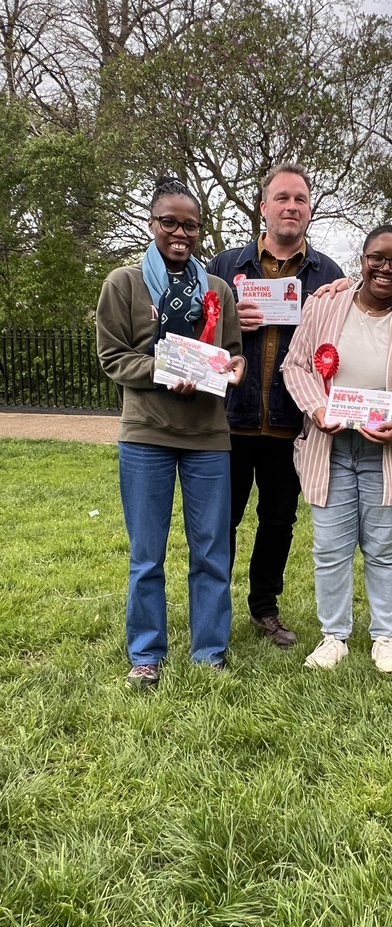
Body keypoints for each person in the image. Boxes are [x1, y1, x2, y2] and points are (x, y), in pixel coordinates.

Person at [96, 176, 246, 688]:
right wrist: (163, 371)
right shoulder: (124, 283)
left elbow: (231, 353)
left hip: (208, 437)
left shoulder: (218, 290)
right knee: (147, 554)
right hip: (146, 436)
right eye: (170, 223)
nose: (180, 233)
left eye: (191, 225)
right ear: (153, 224)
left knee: (210, 552)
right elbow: (113, 358)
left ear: (200, 231)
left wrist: (235, 368)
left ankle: (210, 652)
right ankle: (146, 654)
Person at [282, 224, 392, 673]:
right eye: (378, 256)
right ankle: (333, 636)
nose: (386, 267)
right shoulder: (325, 305)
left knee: (385, 550)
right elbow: (296, 367)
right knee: (331, 550)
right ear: (363, 258)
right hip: (330, 448)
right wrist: (318, 410)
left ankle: (385, 638)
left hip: (389, 454)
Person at [207, 164, 344, 649]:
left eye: (301, 199)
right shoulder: (225, 266)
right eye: (282, 197)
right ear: (263, 206)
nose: (291, 206)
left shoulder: (330, 276)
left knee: (279, 523)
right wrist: (229, 324)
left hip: (291, 425)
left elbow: (341, 346)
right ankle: (212, 610)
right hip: (228, 424)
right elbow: (196, 338)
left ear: (310, 210)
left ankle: (265, 608)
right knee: (220, 522)